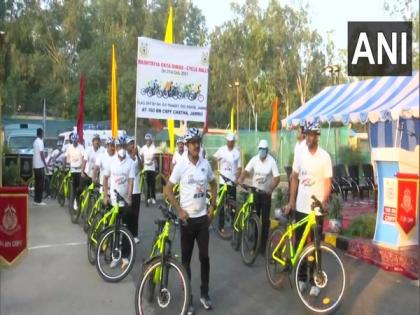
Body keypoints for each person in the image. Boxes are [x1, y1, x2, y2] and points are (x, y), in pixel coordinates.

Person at [165, 127, 217, 314]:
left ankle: (205, 294)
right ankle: (189, 299)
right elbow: (168, 189)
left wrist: (213, 205)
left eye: (198, 142)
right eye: (193, 142)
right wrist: (179, 210)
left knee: (205, 258)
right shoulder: (180, 165)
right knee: (185, 261)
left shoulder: (205, 164)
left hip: (203, 220)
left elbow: (213, 184)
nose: (196, 145)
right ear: (186, 145)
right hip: (187, 222)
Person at [284, 121, 332, 297]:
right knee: (300, 244)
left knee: (316, 245)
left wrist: (324, 200)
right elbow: (295, 177)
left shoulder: (324, 157)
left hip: (316, 209)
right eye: (306, 134)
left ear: (317, 136)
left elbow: (328, 182)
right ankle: (302, 278)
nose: (308, 137)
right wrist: (291, 201)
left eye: (311, 134)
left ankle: (315, 280)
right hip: (301, 206)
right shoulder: (300, 152)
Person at [238, 139, 280, 255]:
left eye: (264, 150)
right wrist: (241, 179)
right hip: (255, 192)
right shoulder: (254, 159)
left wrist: (270, 188)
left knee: (265, 221)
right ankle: (254, 245)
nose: (262, 152)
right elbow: (246, 170)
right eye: (260, 150)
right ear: (259, 150)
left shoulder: (271, 161)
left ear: (267, 151)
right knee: (255, 218)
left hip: (266, 194)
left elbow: (277, 178)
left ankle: (263, 248)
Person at [103, 136, 135, 270]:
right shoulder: (111, 162)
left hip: (125, 202)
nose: (121, 149)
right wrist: (105, 195)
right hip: (114, 202)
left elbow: (131, 181)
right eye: (119, 147)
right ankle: (114, 256)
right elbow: (105, 178)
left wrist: (129, 197)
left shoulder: (130, 163)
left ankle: (125, 257)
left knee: (126, 230)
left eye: (123, 146)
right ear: (116, 148)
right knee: (114, 230)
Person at [213, 132, 242, 232]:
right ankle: (221, 226)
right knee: (221, 204)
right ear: (227, 141)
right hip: (222, 181)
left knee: (232, 205)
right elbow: (214, 158)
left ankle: (233, 225)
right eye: (229, 142)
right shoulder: (222, 150)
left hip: (232, 182)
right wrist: (215, 167)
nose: (230, 143)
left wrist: (237, 178)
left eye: (232, 142)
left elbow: (239, 168)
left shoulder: (237, 152)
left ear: (234, 142)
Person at [63, 133, 85, 211]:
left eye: (76, 141)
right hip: (72, 170)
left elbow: (83, 157)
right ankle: (72, 201)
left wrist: (83, 168)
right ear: (72, 140)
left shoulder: (81, 147)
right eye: (73, 141)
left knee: (80, 187)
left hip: (79, 170)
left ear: (77, 140)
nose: (75, 143)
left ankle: (77, 199)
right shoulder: (69, 147)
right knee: (73, 187)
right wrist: (64, 166)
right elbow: (65, 157)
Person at [127, 137, 142, 244]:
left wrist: (137, 155)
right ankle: (127, 233)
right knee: (128, 214)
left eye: (133, 143)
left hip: (136, 189)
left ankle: (135, 234)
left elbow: (141, 167)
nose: (132, 145)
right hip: (128, 190)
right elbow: (129, 165)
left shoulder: (136, 156)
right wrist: (133, 155)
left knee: (136, 214)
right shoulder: (126, 157)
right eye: (130, 144)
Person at [32, 128, 48, 206]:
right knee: (41, 184)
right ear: (41, 134)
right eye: (43, 133)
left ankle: (36, 200)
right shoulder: (40, 142)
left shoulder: (35, 142)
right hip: (40, 165)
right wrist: (45, 164)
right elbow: (41, 154)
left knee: (37, 183)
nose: (43, 135)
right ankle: (39, 200)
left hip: (35, 165)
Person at [140, 133, 157, 204]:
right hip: (146, 168)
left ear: (151, 140)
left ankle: (153, 198)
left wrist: (151, 161)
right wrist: (143, 161)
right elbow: (141, 155)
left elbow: (154, 155)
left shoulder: (153, 147)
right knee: (147, 184)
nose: (148, 141)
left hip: (152, 168)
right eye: (147, 140)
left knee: (152, 183)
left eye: (149, 140)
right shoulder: (143, 148)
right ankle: (148, 197)